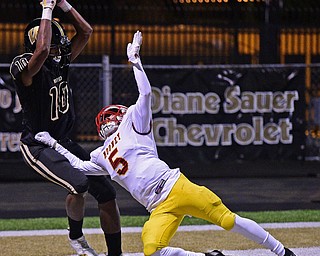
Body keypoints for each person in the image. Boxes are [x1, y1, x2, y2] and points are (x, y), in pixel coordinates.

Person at [35, 31, 297, 256]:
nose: (106, 122)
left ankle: (281, 251)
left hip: (176, 186)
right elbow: (79, 167)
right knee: (152, 249)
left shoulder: (133, 123)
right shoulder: (101, 153)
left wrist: (135, 61)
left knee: (228, 220)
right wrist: (54, 144)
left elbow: (146, 92)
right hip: (158, 207)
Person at [9, 1, 122, 255]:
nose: (60, 52)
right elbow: (40, 54)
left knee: (107, 193)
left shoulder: (58, 63)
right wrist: (47, 9)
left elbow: (86, 32)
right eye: (55, 46)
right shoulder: (22, 65)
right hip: (37, 144)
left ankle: (116, 254)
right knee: (79, 185)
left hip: (62, 141)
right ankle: (77, 238)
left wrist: (63, 4)